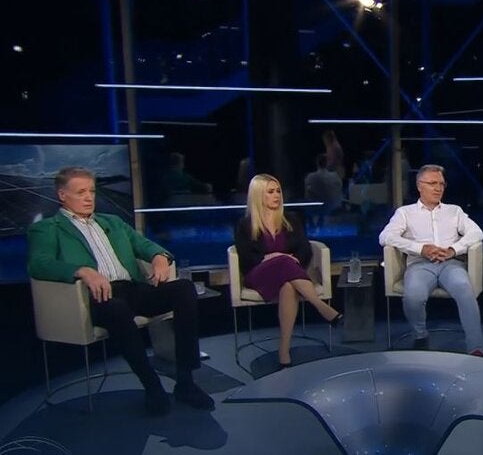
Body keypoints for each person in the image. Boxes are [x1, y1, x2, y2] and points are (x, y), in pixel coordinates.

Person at [27, 166, 213, 416]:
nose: (88, 197)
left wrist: (160, 256)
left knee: (184, 289)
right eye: (81, 192)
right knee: (117, 308)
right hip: (97, 297)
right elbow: (39, 264)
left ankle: (186, 381)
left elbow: (145, 245)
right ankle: (152, 385)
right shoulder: (48, 228)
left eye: (91, 191)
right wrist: (83, 271)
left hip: (132, 288)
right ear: (62, 195)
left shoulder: (112, 222)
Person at [234, 174, 342, 368]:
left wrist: (286, 259)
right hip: (258, 274)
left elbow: (305, 249)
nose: (276, 195)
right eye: (270, 192)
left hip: (289, 274)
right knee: (284, 260)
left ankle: (284, 351)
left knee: (288, 286)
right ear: (258, 195)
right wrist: (273, 258)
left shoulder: (291, 219)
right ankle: (321, 306)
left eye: (278, 191)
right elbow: (245, 256)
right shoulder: (245, 224)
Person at [378, 164, 483, 356]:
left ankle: (476, 347)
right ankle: (420, 335)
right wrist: (421, 249)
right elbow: (385, 236)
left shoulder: (454, 211)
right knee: (413, 296)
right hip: (420, 265)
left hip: (450, 264)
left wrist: (453, 250)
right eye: (432, 183)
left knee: (464, 288)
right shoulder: (405, 213)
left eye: (441, 184)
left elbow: (476, 232)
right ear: (419, 186)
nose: (438, 188)